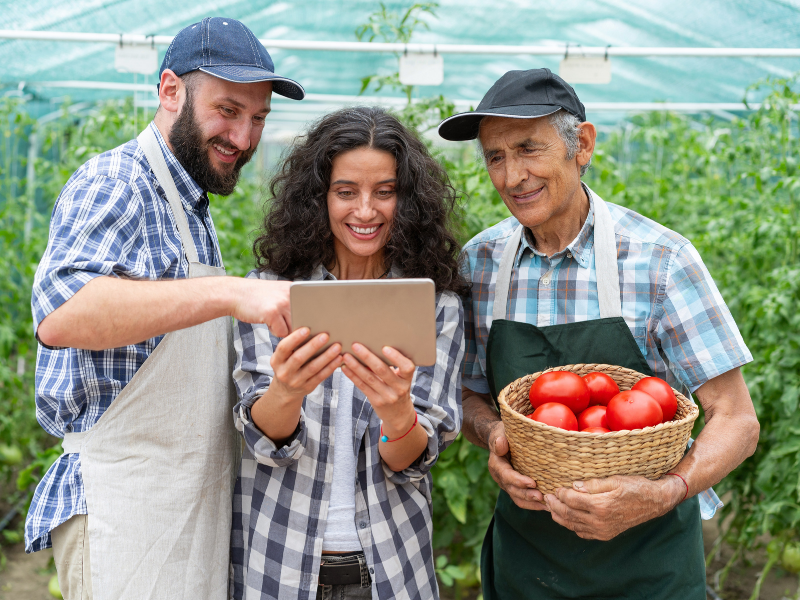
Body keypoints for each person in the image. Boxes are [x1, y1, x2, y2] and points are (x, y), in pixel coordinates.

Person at [437, 68, 760, 600]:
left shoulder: (660, 261)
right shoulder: (480, 263)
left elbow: (737, 420)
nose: (512, 176)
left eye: (527, 148)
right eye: (495, 157)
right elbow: (468, 393)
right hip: (528, 565)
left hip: (648, 565)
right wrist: (492, 432)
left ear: (581, 145)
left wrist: (664, 492)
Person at [26, 18, 304, 600]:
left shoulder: (189, 205)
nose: (244, 137)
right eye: (228, 110)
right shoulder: (117, 180)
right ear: (170, 90)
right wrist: (229, 292)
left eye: (258, 119)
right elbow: (63, 313)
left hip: (186, 507)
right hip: (124, 509)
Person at [230, 106, 466, 600]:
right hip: (282, 562)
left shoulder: (434, 305)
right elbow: (262, 438)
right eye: (345, 192)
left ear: (408, 199)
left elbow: (412, 462)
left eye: (385, 192)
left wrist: (397, 412)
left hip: (390, 567)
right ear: (319, 197)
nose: (365, 210)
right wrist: (287, 390)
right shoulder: (271, 293)